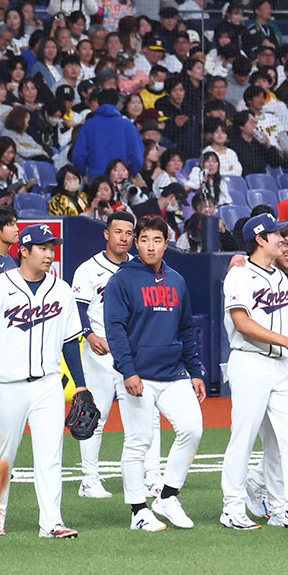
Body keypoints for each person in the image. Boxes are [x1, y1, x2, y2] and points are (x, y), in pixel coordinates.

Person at [0, 224, 86, 538]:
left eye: (52, 248)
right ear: (25, 251)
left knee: (51, 455)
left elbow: (71, 339)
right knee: (1, 456)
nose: (49, 254)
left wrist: (81, 384)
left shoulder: (61, 290)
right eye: (43, 248)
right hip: (6, 385)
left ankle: (52, 522)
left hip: (48, 384)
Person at [220, 214, 288, 531]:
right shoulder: (239, 275)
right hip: (250, 361)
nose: (282, 239)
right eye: (276, 235)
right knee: (243, 437)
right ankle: (232, 507)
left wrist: (286, 346)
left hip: (282, 365)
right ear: (259, 239)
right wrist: (287, 341)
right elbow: (242, 323)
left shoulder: (280, 277)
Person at [103, 215, 206, 532]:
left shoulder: (176, 280)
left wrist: (196, 370)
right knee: (139, 442)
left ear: (166, 243)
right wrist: (128, 371)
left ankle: (167, 496)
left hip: (174, 373)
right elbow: (115, 330)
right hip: (139, 377)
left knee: (193, 429)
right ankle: (138, 511)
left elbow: (187, 329)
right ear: (137, 243)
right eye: (144, 239)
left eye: (157, 240)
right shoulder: (122, 279)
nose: (150, 245)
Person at [72, 212, 162, 499]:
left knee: (146, 414)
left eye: (128, 233)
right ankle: (89, 479)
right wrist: (89, 334)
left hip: (133, 354)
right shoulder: (88, 269)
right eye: (118, 231)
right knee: (94, 416)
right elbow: (78, 309)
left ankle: (151, 474)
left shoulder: (140, 267)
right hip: (100, 351)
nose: (123, 237)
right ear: (106, 234)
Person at [72, 89, 144, 181]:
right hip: (121, 177)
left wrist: (83, 174)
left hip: (96, 177)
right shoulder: (128, 125)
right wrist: (132, 174)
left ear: (98, 102)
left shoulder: (88, 125)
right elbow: (137, 156)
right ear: (117, 103)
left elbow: (78, 155)